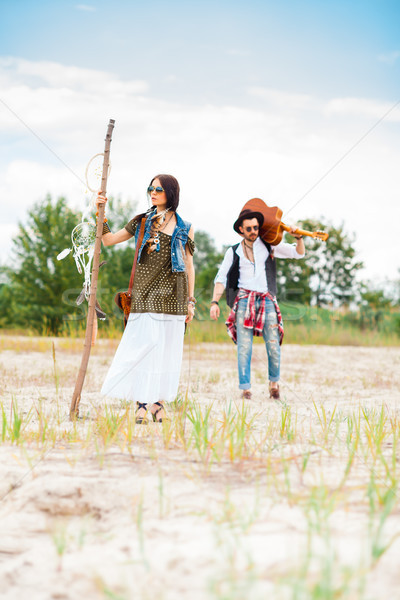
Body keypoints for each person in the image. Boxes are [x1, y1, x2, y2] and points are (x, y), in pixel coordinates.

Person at [96, 174, 195, 423]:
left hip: (175, 298)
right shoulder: (141, 222)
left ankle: (157, 404)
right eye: (150, 188)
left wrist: (190, 301)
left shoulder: (185, 226)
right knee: (143, 347)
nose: (153, 192)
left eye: (158, 189)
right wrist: (101, 213)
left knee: (167, 351)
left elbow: (189, 265)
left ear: (170, 193)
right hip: (144, 295)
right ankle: (141, 401)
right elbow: (108, 240)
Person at [210, 203, 305, 400]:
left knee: (273, 344)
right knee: (244, 347)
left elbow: (298, 253)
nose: (254, 231)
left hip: (267, 299)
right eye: (249, 229)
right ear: (241, 230)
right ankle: (245, 388)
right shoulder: (233, 251)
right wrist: (214, 302)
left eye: (256, 228)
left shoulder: (270, 245)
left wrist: (299, 238)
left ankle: (274, 384)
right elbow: (221, 277)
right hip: (244, 300)